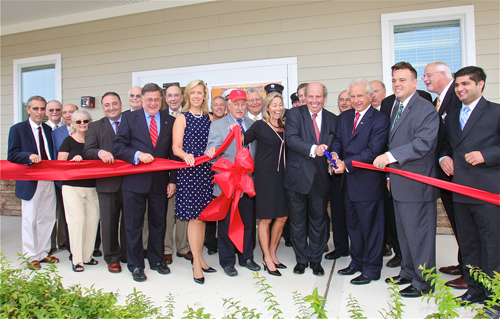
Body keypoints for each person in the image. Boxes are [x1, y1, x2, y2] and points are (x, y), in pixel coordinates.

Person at [374, 62, 439, 298]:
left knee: (420, 236)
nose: (397, 84)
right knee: (405, 234)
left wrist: (389, 157)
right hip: (400, 182)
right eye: (394, 80)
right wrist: (391, 173)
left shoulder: (424, 109)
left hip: (418, 184)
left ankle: (425, 282)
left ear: (415, 82)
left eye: (402, 80)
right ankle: (408, 272)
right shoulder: (396, 107)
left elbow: (423, 144)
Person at [439, 66, 500, 318]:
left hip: (487, 191)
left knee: (492, 246)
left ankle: (495, 297)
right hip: (460, 190)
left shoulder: (496, 112)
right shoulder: (452, 116)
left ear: (481, 84)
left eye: (466, 84)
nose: (461, 89)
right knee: (469, 244)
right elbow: (443, 143)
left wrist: (487, 155)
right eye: (457, 85)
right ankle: (474, 289)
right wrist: (443, 157)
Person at [114, 83, 177, 282]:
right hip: (134, 182)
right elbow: (118, 147)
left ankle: (156, 260)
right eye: (148, 99)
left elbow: (172, 154)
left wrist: (173, 180)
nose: (153, 103)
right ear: (141, 99)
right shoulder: (128, 118)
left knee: (159, 224)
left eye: (156, 99)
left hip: (160, 182)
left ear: (162, 100)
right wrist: (136, 154)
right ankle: (135, 265)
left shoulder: (169, 120)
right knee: (133, 226)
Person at [332, 78, 389, 285]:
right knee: (353, 226)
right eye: (352, 96)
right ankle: (356, 262)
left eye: (359, 96)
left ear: (370, 96)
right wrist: (336, 155)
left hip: (368, 183)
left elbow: (373, 151)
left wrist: (345, 163)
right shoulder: (345, 117)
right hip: (348, 184)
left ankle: (372, 269)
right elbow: (338, 140)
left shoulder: (380, 120)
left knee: (371, 228)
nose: (355, 100)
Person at [284, 82, 338, 276]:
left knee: (319, 221)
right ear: (305, 97)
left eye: (319, 97)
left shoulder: (333, 119)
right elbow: (291, 139)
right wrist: (313, 149)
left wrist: (337, 156)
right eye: (311, 97)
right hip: (297, 178)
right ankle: (301, 260)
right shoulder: (294, 115)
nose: (315, 101)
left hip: (322, 178)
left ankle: (316, 259)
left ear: (324, 98)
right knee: (298, 222)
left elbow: (336, 143)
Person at [206, 89, 261, 277]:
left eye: (243, 104)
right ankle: (228, 261)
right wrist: (214, 151)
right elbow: (211, 153)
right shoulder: (219, 125)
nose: (240, 107)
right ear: (228, 105)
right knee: (227, 223)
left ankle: (246, 258)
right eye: (236, 104)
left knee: (247, 222)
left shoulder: (253, 124)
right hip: (227, 184)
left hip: (247, 182)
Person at [423, 61, 465, 289]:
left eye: (428, 75)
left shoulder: (456, 99)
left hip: (458, 173)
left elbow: (458, 135)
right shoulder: (436, 102)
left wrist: (445, 157)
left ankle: (471, 273)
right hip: (444, 172)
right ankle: (464, 264)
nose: (425, 80)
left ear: (442, 74)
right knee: (457, 221)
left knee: (464, 224)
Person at [7, 95, 59, 270]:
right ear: (28, 110)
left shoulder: (48, 129)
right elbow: (12, 154)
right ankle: (30, 256)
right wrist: (28, 156)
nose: (39, 112)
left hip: (49, 180)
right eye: (35, 108)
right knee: (29, 219)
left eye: (42, 109)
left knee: (48, 217)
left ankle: (43, 253)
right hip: (30, 180)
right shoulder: (18, 129)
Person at [172, 80, 215, 285]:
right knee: (194, 218)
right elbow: (176, 148)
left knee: (203, 217)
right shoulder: (182, 117)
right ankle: (196, 263)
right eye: (192, 93)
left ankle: (201, 258)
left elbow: (216, 142)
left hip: (207, 171)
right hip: (189, 171)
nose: (196, 96)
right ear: (187, 96)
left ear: (205, 95)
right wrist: (185, 155)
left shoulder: (210, 118)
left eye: (200, 92)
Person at [243, 92, 288, 277]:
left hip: (283, 176)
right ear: (267, 107)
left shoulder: (285, 126)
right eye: (274, 105)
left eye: (280, 105)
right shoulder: (259, 126)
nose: (277, 108)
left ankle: (272, 253)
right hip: (265, 177)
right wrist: (232, 130)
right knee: (266, 218)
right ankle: (267, 258)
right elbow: (241, 141)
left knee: (283, 216)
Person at [83, 92, 127, 273]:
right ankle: (112, 257)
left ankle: (126, 253)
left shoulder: (131, 122)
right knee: (109, 222)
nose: (111, 107)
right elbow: (88, 150)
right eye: (107, 105)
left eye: (114, 103)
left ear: (120, 104)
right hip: (107, 183)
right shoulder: (94, 127)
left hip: (130, 181)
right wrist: (100, 152)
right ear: (103, 107)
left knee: (130, 222)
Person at [58, 110, 100, 272]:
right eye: (78, 122)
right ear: (73, 124)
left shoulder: (94, 141)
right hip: (72, 187)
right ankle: (77, 260)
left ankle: (87, 257)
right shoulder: (68, 141)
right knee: (77, 222)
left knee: (92, 222)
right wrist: (71, 161)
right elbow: (59, 164)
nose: (82, 124)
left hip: (93, 187)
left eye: (85, 121)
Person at [163, 82, 192, 264]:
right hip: (167, 173)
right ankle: (166, 248)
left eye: (176, 95)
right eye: (169, 96)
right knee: (168, 213)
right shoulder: (160, 118)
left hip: (188, 171)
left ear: (182, 97)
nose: (173, 98)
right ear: (166, 99)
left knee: (185, 214)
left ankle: (184, 247)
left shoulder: (188, 116)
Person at [324, 90, 352, 261]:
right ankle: (341, 247)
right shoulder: (334, 120)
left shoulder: (357, 120)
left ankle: (357, 248)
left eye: (347, 99)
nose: (344, 102)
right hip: (336, 175)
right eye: (341, 100)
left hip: (355, 174)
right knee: (337, 212)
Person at [45, 100, 66, 255]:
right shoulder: (44, 129)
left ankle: (63, 240)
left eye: (58, 109)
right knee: (50, 211)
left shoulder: (66, 129)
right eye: (51, 109)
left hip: (63, 176)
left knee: (64, 210)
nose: (55, 112)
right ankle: (50, 244)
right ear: (46, 112)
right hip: (47, 175)